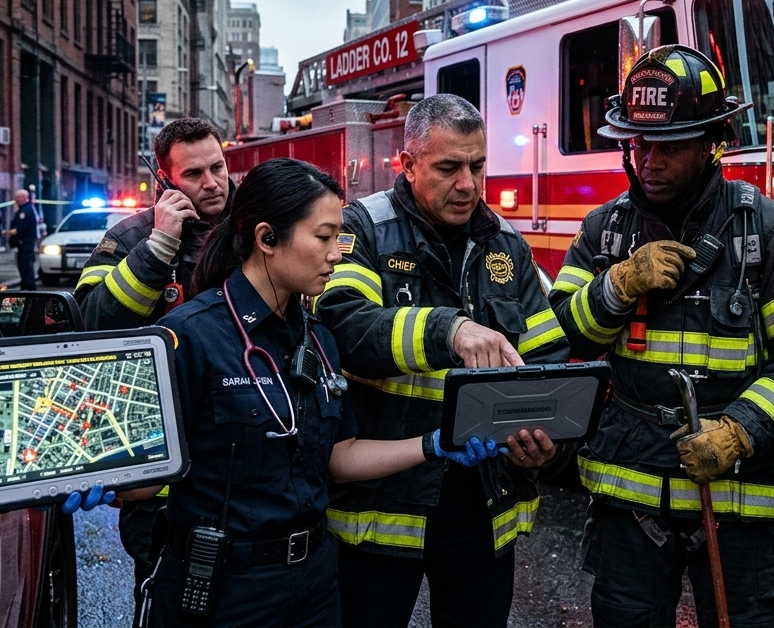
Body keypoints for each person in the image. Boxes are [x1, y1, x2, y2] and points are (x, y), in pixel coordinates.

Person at [120, 158, 504, 628]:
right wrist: (94, 478)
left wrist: (435, 444)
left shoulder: (318, 339)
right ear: (266, 238)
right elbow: (139, 478)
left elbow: (338, 456)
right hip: (224, 590)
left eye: (340, 237)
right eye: (323, 237)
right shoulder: (190, 337)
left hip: (315, 586)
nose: (338, 254)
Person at [548, 45, 774, 627]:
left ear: (712, 143)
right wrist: (616, 287)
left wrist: (740, 433)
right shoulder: (605, 231)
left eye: (669, 147)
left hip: (741, 496)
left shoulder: (770, 231)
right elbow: (563, 335)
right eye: (638, 144)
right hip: (631, 497)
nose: (649, 160)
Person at [315, 94, 570, 628]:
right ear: (407, 166)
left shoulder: (505, 245)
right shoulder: (362, 228)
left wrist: (542, 443)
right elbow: (345, 325)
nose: (468, 185)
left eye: (477, 166)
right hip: (383, 503)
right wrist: (447, 328)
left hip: (483, 502)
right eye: (449, 167)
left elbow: (548, 355)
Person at [73, 117, 234, 615]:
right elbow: (93, 326)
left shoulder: (255, 228)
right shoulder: (131, 237)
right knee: (168, 601)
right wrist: (158, 248)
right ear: (164, 183)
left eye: (218, 167)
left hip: (241, 464)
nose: (211, 183)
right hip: (162, 485)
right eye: (193, 175)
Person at [7, 189, 39, 289]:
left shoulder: (26, 210)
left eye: (19, 197)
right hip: (23, 244)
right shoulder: (23, 209)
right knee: (22, 266)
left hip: (26, 243)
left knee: (26, 266)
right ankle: (25, 285)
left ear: (25, 197)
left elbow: (22, 227)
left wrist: (11, 232)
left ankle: (29, 287)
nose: (16, 199)